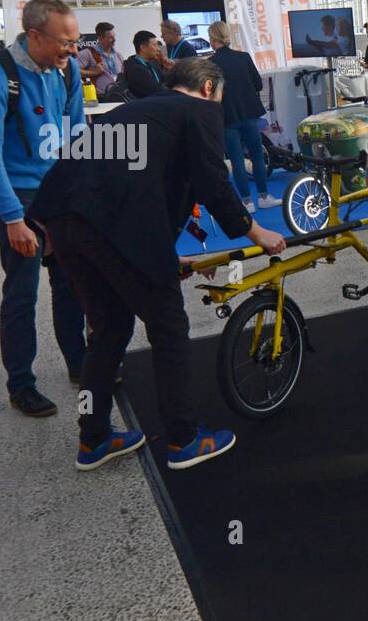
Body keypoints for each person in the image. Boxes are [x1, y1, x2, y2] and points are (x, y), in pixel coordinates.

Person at [28, 57, 287, 471]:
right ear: (207, 89)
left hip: (62, 220)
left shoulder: (134, 111)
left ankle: (93, 438)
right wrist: (255, 231)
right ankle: (183, 439)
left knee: (107, 330)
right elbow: (211, 181)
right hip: (108, 228)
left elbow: (134, 186)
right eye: (218, 99)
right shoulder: (197, 110)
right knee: (168, 327)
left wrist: (163, 254)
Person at [0, 0, 88, 416]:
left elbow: (77, 134)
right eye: (64, 42)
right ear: (34, 35)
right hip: (18, 199)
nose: (72, 51)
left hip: (58, 195)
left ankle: (80, 363)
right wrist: (13, 218)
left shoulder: (67, 69)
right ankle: (21, 384)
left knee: (71, 284)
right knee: (21, 294)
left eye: (76, 42)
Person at [208, 21, 279, 212]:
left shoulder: (210, 64)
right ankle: (264, 196)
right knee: (257, 155)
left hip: (226, 117)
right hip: (249, 114)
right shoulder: (244, 57)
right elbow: (258, 84)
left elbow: (210, 93)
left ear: (212, 39)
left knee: (237, 160)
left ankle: (247, 202)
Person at [77, 21, 125, 97]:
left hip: (119, 96)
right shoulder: (88, 53)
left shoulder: (118, 55)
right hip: (99, 99)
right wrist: (94, 72)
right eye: (110, 38)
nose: (114, 40)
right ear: (100, 38)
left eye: (114, 37)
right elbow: (73, 71)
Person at [124, 30, 165, 99]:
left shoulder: (153, 63)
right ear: (143, 47)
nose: (158, 49)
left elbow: (164, 81)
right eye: (154, 45)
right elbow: (154, 91)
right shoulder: (135, 70)